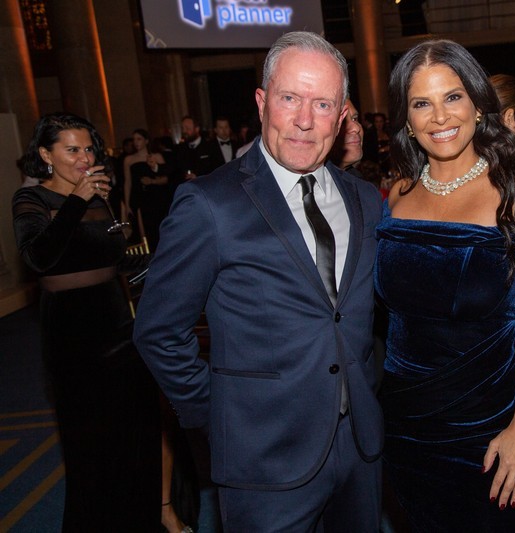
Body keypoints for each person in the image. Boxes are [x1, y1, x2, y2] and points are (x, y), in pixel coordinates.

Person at [132, 31, 384, 531]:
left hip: (360, 449)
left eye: (322, 104)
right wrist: (221, 416)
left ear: (341, 116)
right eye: (290, 98)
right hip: (264, 457)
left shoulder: (364, 200)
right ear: (263, 102)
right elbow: (158, 331)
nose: (305, 120)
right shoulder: (209, 203)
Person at [377, 39, 515, 531]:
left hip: (494, 426)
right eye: (422, 103)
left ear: (479, 105)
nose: (440, 117)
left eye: (453, 97)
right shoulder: (397, 194)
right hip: (408, 428)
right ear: (406, 119)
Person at [12, 112, 161, 530]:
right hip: (72, 333)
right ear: (46, 155)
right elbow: (39, 257)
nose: (84, 158)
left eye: (89, 149)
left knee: (135, 433)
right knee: (91, 442)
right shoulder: (31, 199)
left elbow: (118, 262)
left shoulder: (99, 198)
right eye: (72, 150)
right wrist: (77, 200)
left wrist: (173, 258)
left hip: (119, 324)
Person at [123, 128, 171, 249]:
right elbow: (127, 182)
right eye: (134, 139)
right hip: (138, 198)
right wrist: (127, 204)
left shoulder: (156, 156)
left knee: (158, 229)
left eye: (139, 139)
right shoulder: (128, 159)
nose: (136, 142)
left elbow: (166, 179)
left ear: (146, 141)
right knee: (142, 231)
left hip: (155, 197)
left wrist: (152, 181)